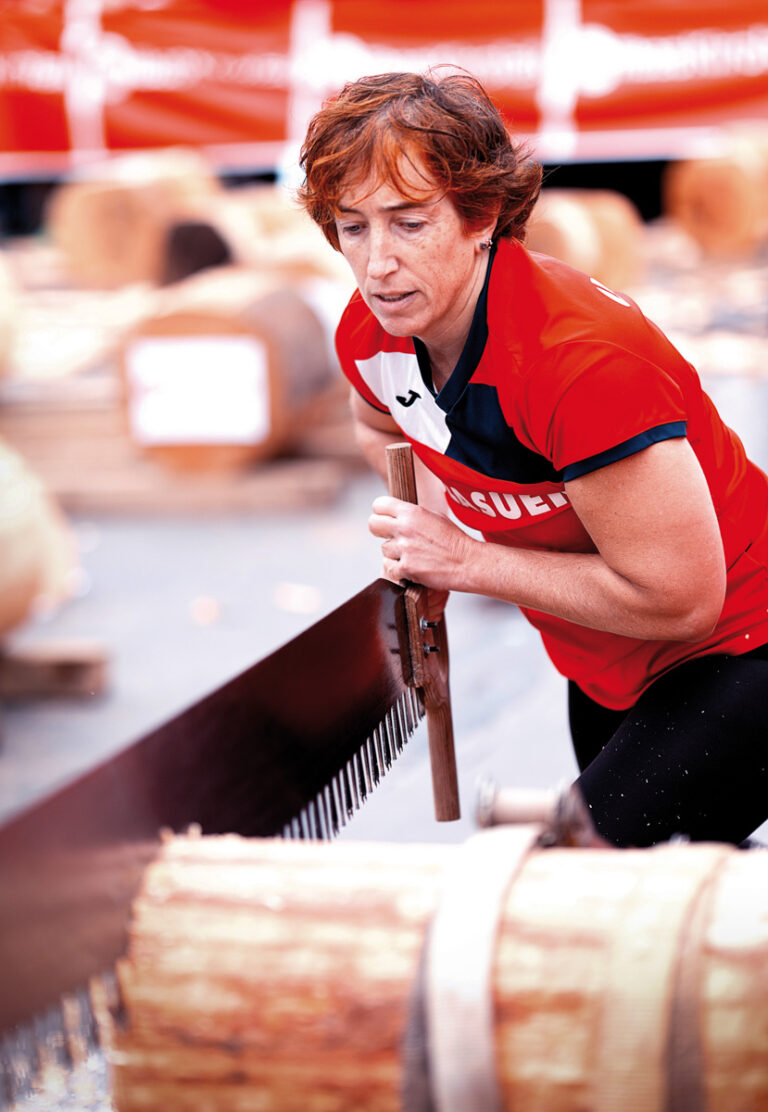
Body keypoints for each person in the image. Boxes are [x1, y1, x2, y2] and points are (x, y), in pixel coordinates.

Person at [297, 69, 768, 848]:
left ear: (482, 214)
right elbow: (379, 426)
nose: (377, 263)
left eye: (409, 223)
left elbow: (683, 599)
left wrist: (468, 562)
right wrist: (434, 533)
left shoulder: (580, 368)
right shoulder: (373, 334)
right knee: (656, 894)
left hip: (740, 644)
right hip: (610, 664)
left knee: (581, 872)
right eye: (353, 227)